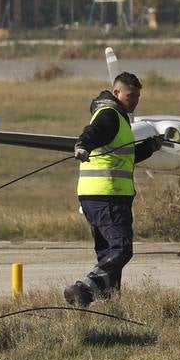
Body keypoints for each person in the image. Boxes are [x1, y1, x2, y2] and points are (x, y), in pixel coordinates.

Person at [64, 72, 164, 307]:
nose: (135, 100)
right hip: (108, 195)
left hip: (96, 196)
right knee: (121, 250)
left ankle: (110, 305)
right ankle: (85, 289)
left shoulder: (119, 118)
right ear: (117, 93)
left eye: (138, 96)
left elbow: (125, 156)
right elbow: (92, 133)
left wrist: (150, 147)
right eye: (131, 95)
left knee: (108, 254)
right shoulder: (110, 115)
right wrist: (82, 145)